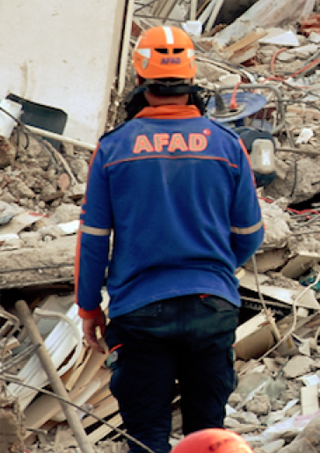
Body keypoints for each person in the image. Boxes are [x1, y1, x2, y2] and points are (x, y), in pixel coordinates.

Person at [76, 25, 264, 453]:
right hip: (212, 307)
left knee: (146, 437)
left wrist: (88, 307)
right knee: (208, 436)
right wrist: (214, 271)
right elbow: (250, 234)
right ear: (191, 77)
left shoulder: (113, 149)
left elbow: (93, 240)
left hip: (139, 313)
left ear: (139, 78)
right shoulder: (227, 144)